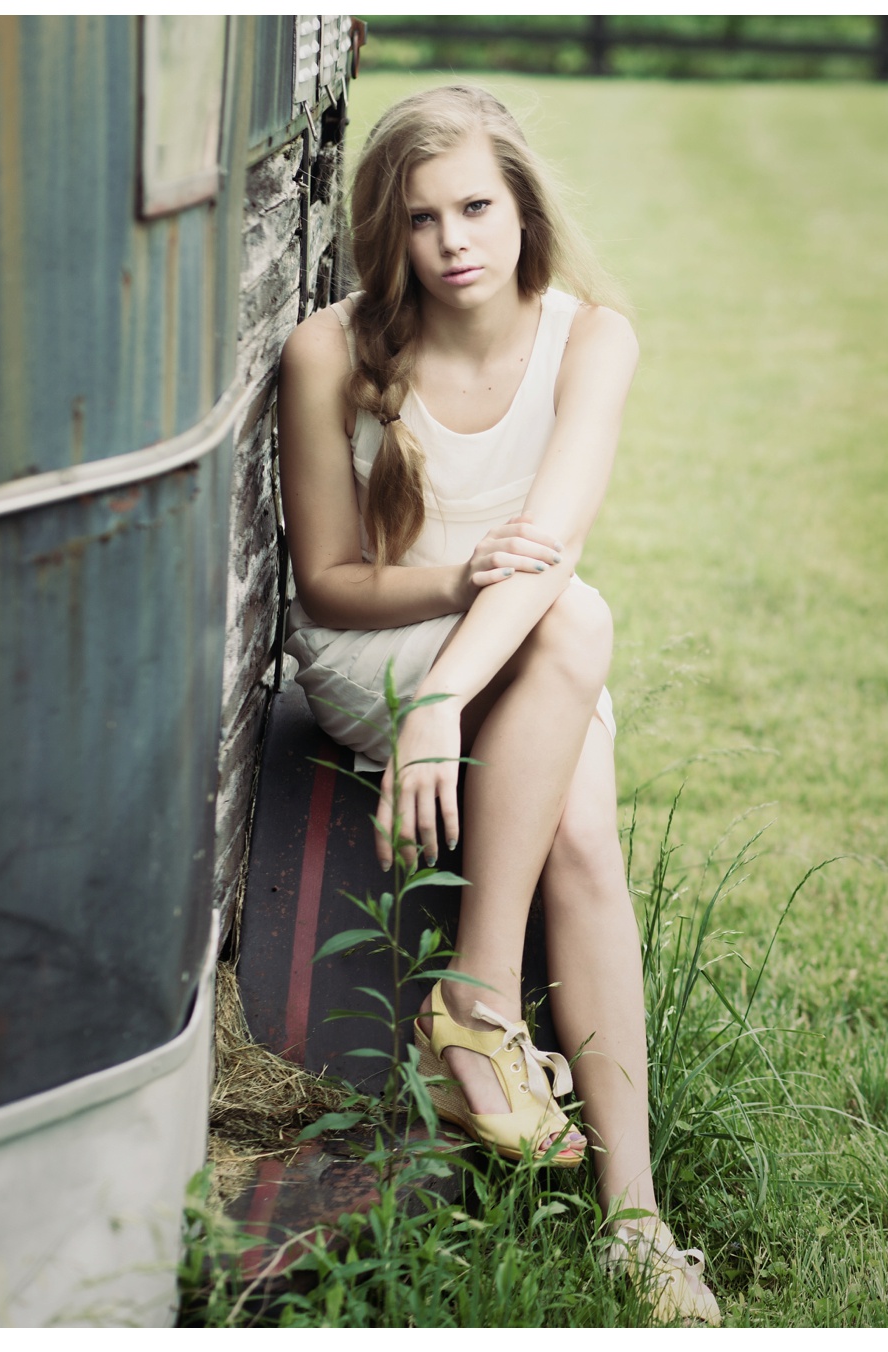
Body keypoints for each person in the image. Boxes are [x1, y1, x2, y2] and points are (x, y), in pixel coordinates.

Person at [276, 84, 718, 1326]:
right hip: (377, 647)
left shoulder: (592, 338)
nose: (454, 240)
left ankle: (626, 1205)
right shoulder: (332, 350)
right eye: (421, 219)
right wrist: (439, 645)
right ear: (390, 232)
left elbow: (553, 548)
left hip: (510, 653)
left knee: (576, 730)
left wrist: (452, 696)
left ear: (522, 206)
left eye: (476, 206)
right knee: (576, 625)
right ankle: (488, 1029)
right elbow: (328, 582)